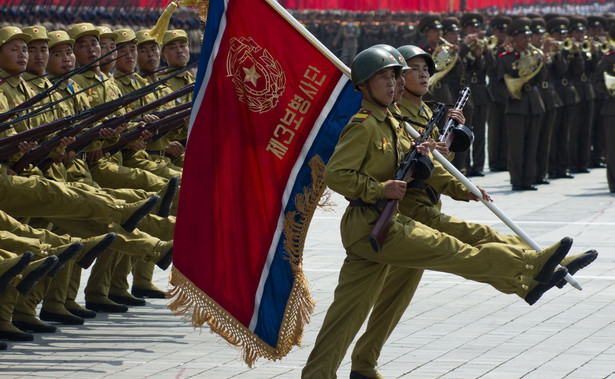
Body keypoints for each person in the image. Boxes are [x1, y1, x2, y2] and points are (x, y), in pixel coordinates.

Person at [302, 45, 583, 378]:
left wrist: (458, 187)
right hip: (372, 223)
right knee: (457, 250)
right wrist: (379, 189)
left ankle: (326, 373)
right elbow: (337, 175)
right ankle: (529, 269)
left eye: (393, 76)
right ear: (363, 85)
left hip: (382, 223)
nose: (392, 84)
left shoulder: (389, 120)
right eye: (382, 77)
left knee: (347, 313)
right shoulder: (363, 125)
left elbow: (420, 166)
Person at [496, 17, 545, 191]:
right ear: (515, 39)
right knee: (517, 145)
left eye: (528, 36)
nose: (527, 40)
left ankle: (528, 179)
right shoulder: (505, 58)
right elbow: (499, 83)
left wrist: (543, 62)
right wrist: (509, 93)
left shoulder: (535, 55)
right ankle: (517, 180)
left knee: (532, 144)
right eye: (523, 37)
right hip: (516, 105)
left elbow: (542, 78)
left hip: (534, 103)